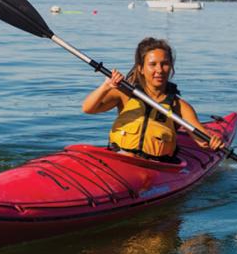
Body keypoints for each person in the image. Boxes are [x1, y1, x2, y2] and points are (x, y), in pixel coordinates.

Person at [82, 37, 223, 161]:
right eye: (152, 64)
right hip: (120, 159)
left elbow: (201, 140)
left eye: (165, 64)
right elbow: (88, 108)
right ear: (141, 69)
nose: (160, 70)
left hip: (155, 167)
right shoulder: (124, 94)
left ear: (171, 67)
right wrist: (106, 86)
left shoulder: (179, 106)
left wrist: (213, 141)